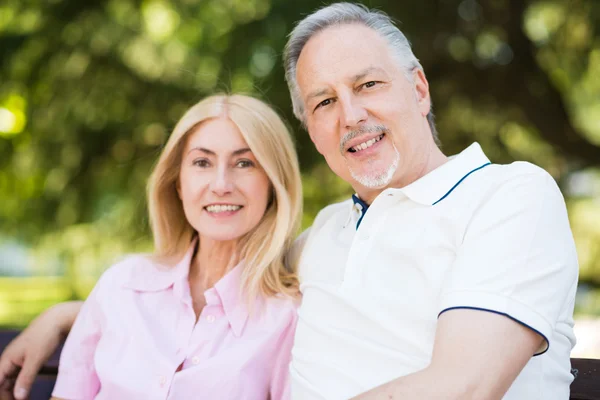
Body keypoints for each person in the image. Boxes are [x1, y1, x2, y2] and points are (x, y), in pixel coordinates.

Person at [0, 3, 579, 400]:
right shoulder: (326, 236)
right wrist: (68, 315)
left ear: (419, 87)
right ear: (311, 129)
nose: (351, 115)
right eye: (323, 102)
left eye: (368, 84)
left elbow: (465, 385)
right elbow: (212, 292)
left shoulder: (510, 196)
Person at [1, 93, 303, 400]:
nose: (221, 184)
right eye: (202, 162)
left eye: (244, 162)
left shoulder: (289, 318)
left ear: (273, 184)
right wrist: (59, 315)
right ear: (178, 184)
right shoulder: (122, 285)